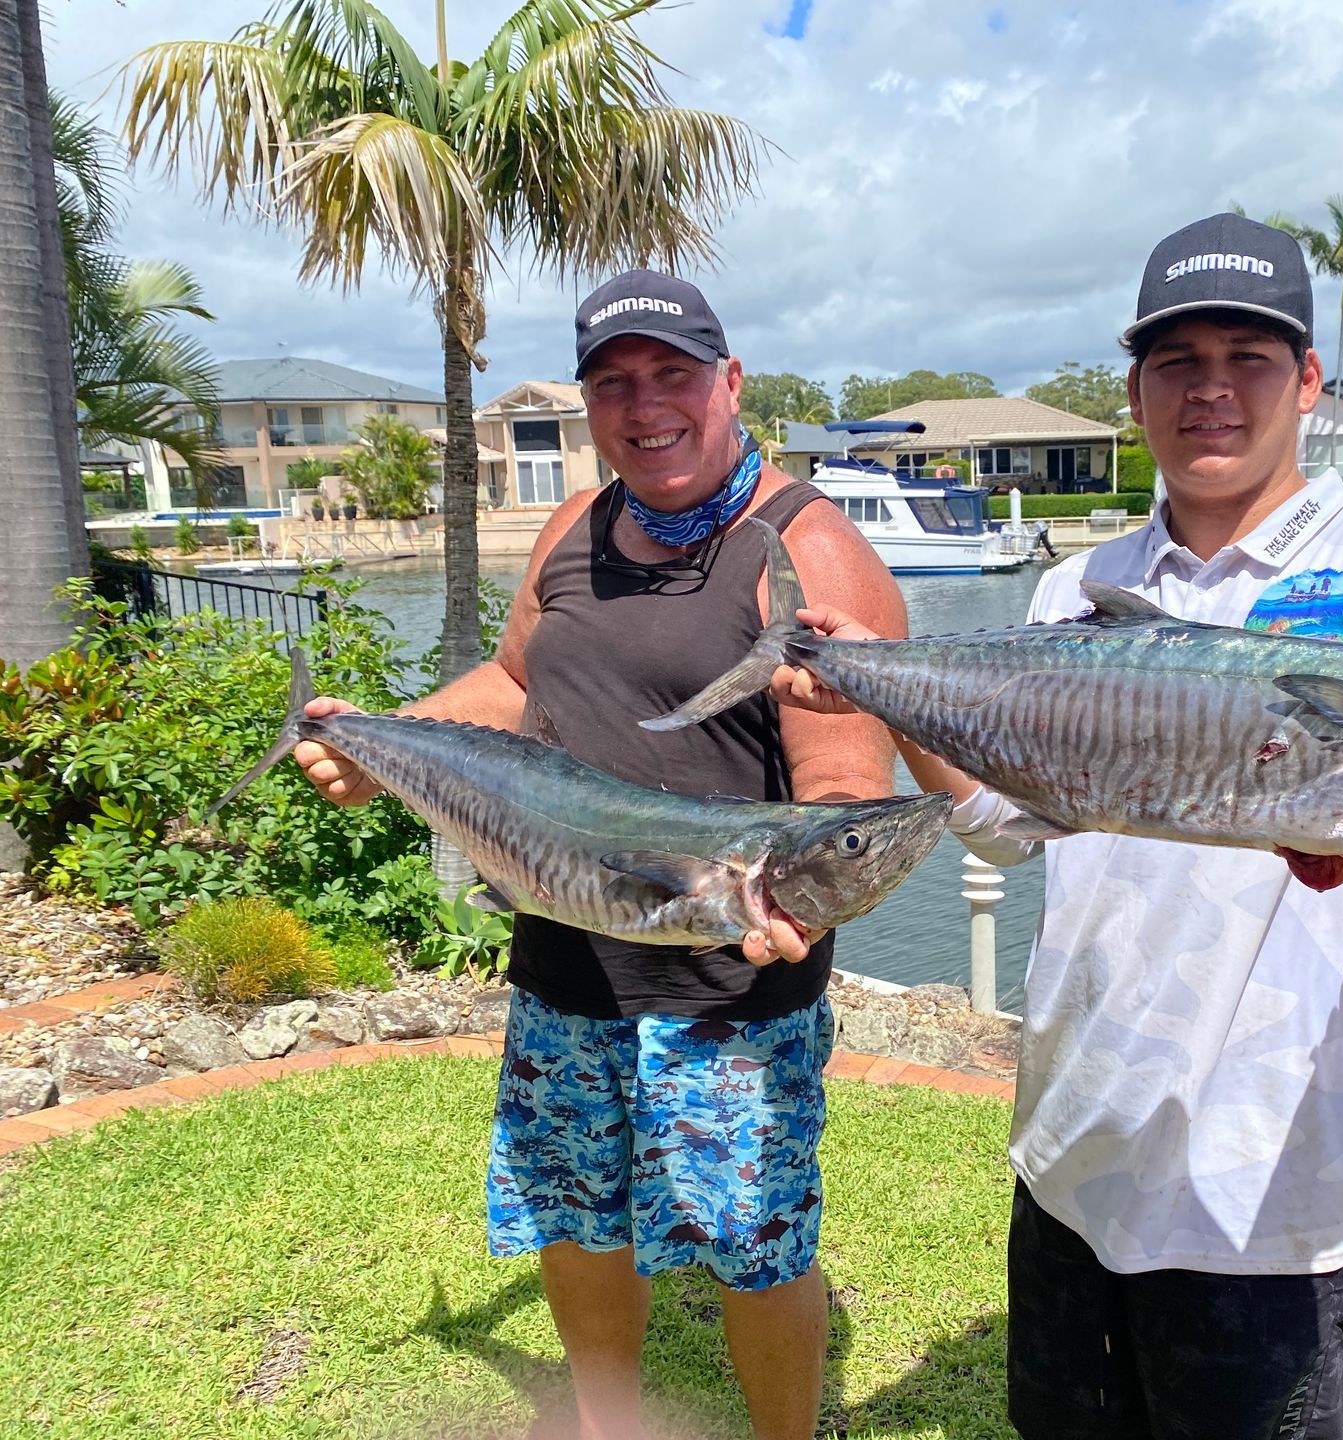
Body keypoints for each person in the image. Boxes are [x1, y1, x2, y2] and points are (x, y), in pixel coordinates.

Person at [774, 213, 1343, 1439]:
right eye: (1180, 362)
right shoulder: (1075, 592)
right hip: (1075, 1149)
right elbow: (1012, 828)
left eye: (1249, 357)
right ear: (1135, 388)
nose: (1213, 391)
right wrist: (884, 682)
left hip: (1277, 1190)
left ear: (1309, 381)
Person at [293, 269, 904, 1440]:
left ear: (731, 383)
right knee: (576, 1220)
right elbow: (519, 683)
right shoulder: (580, 523)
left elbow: (839, 786)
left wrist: (809, 908)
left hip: (727, 988)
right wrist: (383, 743)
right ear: (589, 404)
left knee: (753, 1242)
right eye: (614, 382)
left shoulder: (804, 553)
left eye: (674, 373)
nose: (646, 404)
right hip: (565, 961)